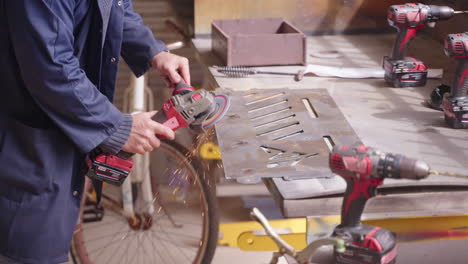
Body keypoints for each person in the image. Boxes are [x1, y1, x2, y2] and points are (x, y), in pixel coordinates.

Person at [0, 0, 190, 263]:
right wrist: (118, 126)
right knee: (29, 247)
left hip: (63, 127)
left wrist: (155, 52)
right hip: (27, 142)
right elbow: (52, 69)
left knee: (54, 234)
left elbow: (116, 8)